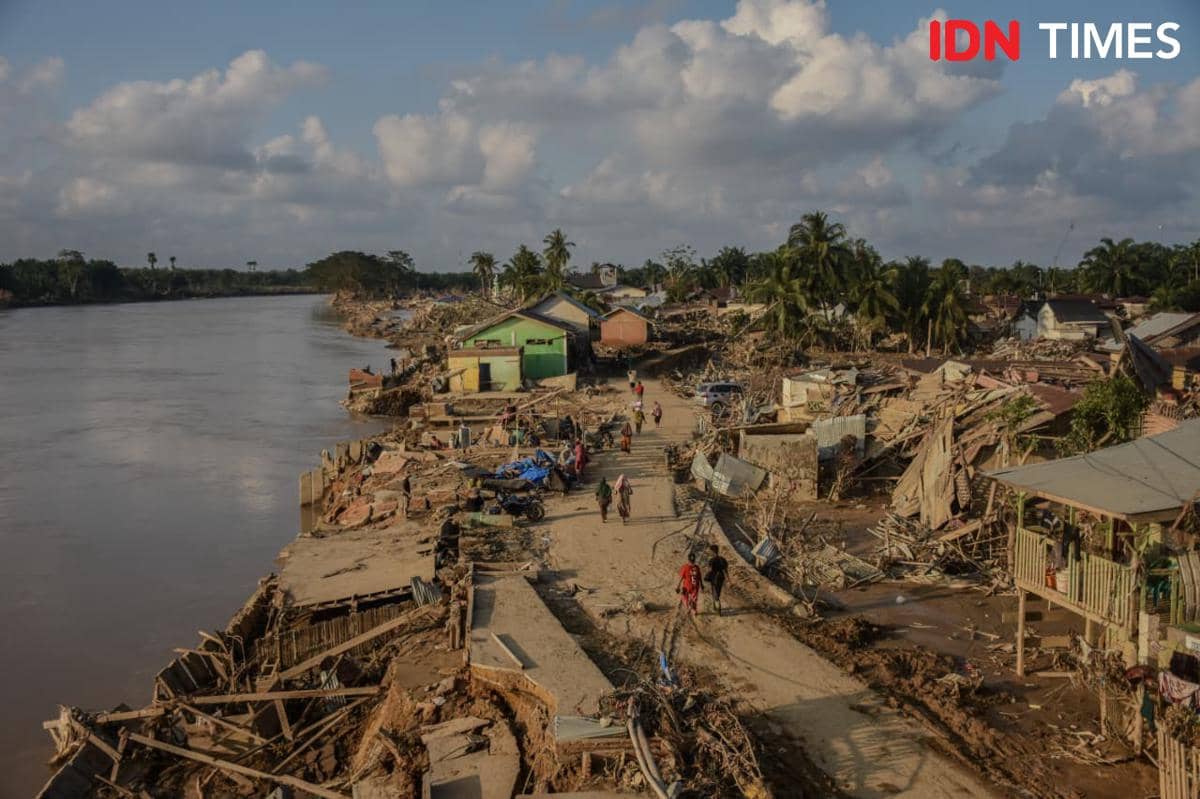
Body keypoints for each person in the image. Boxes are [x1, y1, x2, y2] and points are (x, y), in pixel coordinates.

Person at [705, 544, 729, 615]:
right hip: (721, 577)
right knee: (717, 591)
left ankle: (718, 607)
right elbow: (725, 570)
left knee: (714, 592)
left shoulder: (712, 560)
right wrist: (728, 579)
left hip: (714, 577)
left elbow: (710, 569)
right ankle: (716, 605)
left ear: (712, 551)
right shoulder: (722, 559)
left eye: (710, 551)